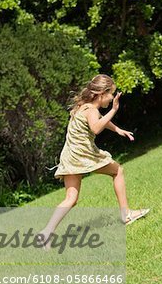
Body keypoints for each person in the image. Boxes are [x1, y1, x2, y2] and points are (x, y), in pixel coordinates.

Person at [39, 74, 150, 248]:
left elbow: (98, 120)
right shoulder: (91, 110)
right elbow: (96, 127)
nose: (112, 97)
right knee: (118, 170)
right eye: (110, 94)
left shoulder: (84, 106)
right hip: (82, 154)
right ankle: (126, 214)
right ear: (102, 93)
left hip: (70, 155)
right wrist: (114, 110)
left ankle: (46, 233)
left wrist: (117, 129)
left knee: (71, 198)